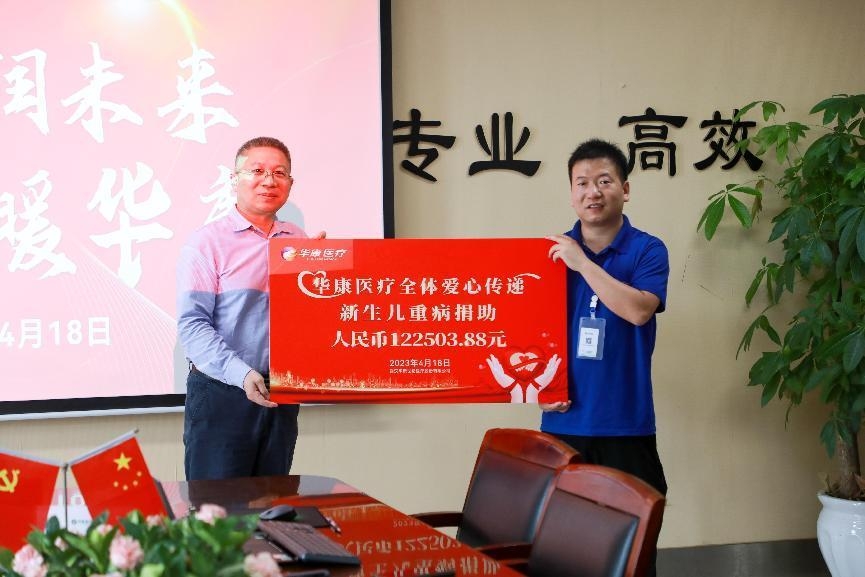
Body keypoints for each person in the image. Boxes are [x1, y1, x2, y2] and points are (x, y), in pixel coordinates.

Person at [542, 138, 669, 574]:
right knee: (565, 553)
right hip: (563, 426)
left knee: (633, 553)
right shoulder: (547, 256)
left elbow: (638, 310)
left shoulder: (647, 249)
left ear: (625, 189)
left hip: (626, 426)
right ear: (571, 193)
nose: (592, 192)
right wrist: (536, 387)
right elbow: (528, 339)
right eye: (581, 183)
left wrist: (581, 263)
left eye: (604, 181)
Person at [177, 136, 317, 480]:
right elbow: (193, 324)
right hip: (222, 392)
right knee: (217, 507)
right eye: (257, 171)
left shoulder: (299, 241)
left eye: (280, 173)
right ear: (234, 179)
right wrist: (241, 374)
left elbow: (308, 319)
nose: (269, 181)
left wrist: (324, 273)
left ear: (290, 183)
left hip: (281, 392)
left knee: (273, 501)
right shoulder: (207, 242)